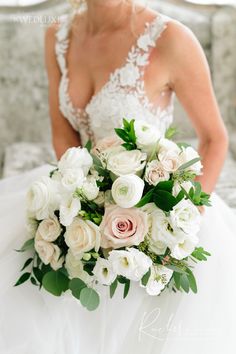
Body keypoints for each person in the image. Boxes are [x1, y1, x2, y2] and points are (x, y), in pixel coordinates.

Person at [0, 0, 235, 353]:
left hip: (155, 208)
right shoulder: (57, 35)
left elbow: (215, 140)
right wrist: (79, 207)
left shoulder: (171, 38)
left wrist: (172, 229)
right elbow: (64, 136)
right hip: (83, 202)